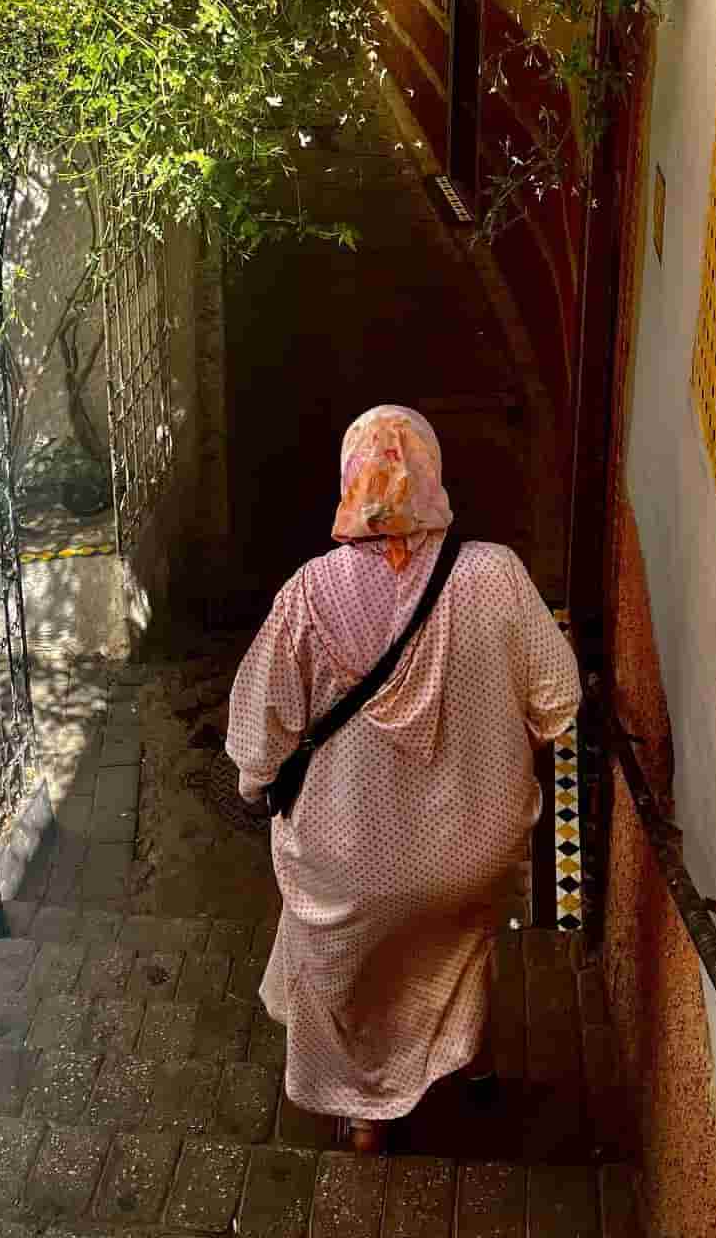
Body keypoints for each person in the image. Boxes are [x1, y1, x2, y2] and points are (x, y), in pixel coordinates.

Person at [226, 403, 581, 1153]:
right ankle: (468, 1061)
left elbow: (258, 740)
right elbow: (558, 701)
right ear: (432, 474)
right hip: (470, 856)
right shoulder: (496, 574)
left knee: (349, 966)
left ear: (350, 481)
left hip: (346, 868)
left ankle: (365, 1119)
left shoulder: (307, 594)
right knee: (453, 946)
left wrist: (258, 789)